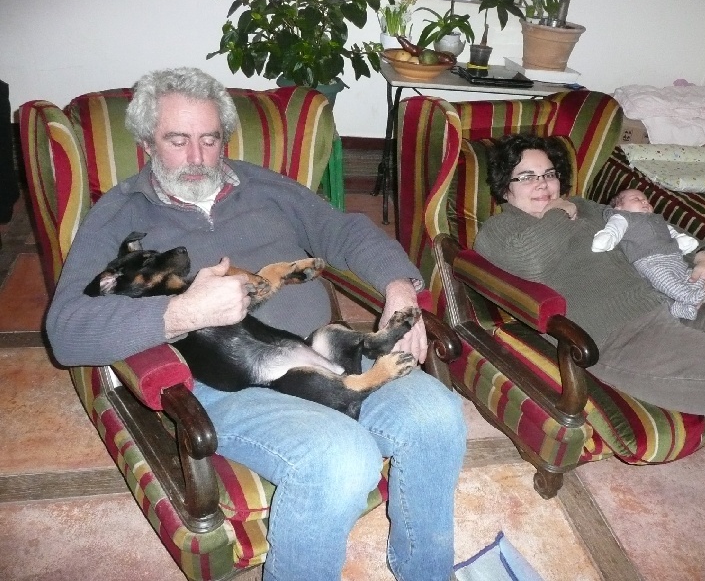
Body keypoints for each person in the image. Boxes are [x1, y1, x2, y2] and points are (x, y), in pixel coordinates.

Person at [46, 67, 467, 581]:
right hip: (227, 386)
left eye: (209, 139)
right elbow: (66, 329)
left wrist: (401, 287)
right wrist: (183, 313)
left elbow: (342, 231)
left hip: (329, 353)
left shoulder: (262, 185)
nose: (197, 157)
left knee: (438, 416)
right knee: (341, 457)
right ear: (147, 143)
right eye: (177, 140)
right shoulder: (120, 214)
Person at [473, 133, 705, 581]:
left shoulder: (586, 207)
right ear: (504, 188)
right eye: (526, 177)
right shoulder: (499, 230)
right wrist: (559, 211)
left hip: (680, 303)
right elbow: (529, 260)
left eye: (548, 174)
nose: (543, 184)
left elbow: (659, 231)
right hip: (627, 338)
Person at [591, 187, 705, 319]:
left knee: (695, 277)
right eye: (636, 199)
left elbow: (671, 232)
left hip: (675, 258)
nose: (645, 202)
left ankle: (679, 306)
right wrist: (606, 238)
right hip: (649, 260)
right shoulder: (623, 217)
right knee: (663, 278)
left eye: (646, 200)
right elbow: (614, 230)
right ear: (619, 207)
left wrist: (681, 240)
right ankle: (686, 296)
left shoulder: (657, 220)